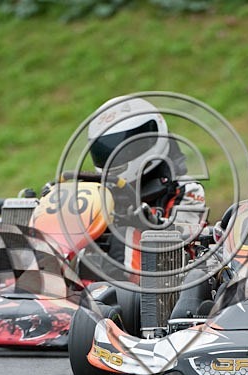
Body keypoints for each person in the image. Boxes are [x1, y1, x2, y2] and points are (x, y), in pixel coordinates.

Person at [85, 96, 207, 266]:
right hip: (105, 271)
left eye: (125, 149)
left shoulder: (186, 189)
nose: (114, 158)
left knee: (126, 235)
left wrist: (149, 221)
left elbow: (186, 234)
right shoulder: (100, 193)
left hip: (168, 272)